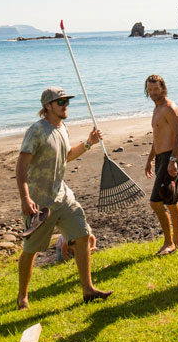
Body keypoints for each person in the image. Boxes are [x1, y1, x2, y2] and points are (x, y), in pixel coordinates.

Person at [15, 86, 113, 310]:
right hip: (40, 204)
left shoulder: (63, 128)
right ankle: (22, 296)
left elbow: (67, 156)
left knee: (82, 234)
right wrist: (25, 197)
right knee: (30, 250)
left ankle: (88, 289)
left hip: (63, 196)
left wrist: (89, 143)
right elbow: (21, 166)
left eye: (67, 101)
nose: (66, 105)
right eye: (61, 102)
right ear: (47, 106)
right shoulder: (37, 131)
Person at [142, 74, 178, 256]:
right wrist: (150, 160)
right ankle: (176, 241)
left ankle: (169, 242)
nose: (152, 93)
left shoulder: (169, 108)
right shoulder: (156, 109)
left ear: (163, 88)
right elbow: (156, 139)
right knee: (171, 202)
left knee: (155, 202)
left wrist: (172, 161)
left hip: (171, 158)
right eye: (149, 90)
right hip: (161, 159)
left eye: (156, 89)